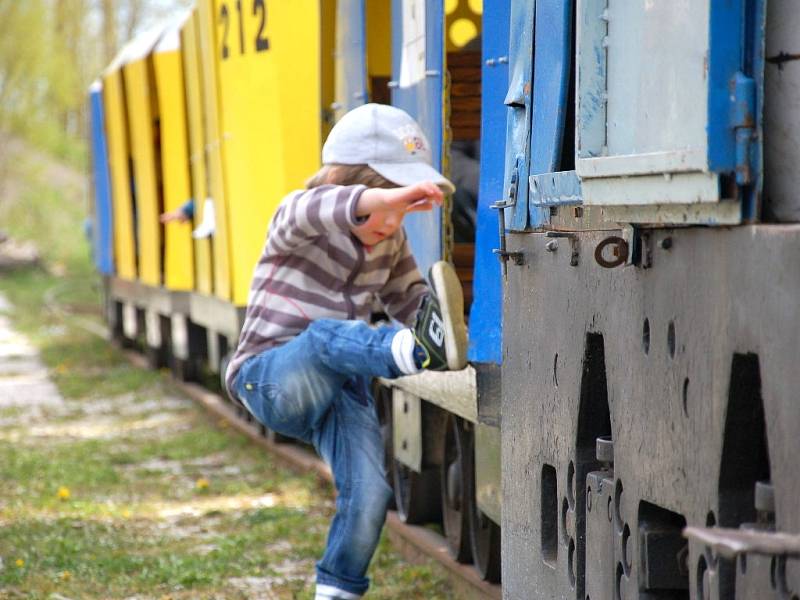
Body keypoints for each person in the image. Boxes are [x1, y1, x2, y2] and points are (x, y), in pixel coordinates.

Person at [224, 103, 467, 600]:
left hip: (338, 389)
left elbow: (410, 301)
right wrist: (392, 196)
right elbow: (327, 206)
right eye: (384, 208)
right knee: (323, 336)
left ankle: (336, 590)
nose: (391, 221)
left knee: (370, 496)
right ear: (349, 188)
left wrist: (445, 324)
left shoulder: (389, 242)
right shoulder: (297, 214)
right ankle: (412, 356)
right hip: (269, 374)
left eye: (401, 211)